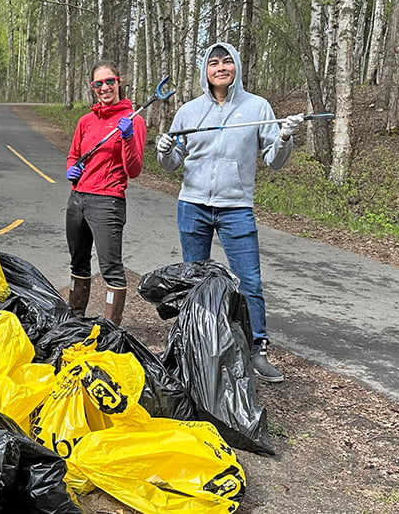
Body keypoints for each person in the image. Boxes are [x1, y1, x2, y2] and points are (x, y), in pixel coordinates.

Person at [155, 42, 304, 383]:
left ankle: (257, 350)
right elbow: (172, 163)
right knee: (194, 281)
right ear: (204, 71)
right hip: (192, 205)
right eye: (213, 63)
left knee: (248, 280)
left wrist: (283, 137)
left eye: (227, 62)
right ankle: (192, 345)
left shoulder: (257, 107)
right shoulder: (189, 112)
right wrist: (163, 151)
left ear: (236, 66)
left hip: (236, 208)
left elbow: (274, 161)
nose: (220, 67)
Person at [64, 61, 147, 326]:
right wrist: (71, 169)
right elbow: (74, 155)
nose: (104, 88)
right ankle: (75, 321)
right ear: (93, 88)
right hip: (78, 199)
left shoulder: (133, 121)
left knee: (111, 269)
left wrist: (127, 137)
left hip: (107, 201)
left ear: (119, 82)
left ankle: (111, 327)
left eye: (109, 81)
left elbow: (133, 169)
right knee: (78, 262)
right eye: (98, 84)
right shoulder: (86, 121)